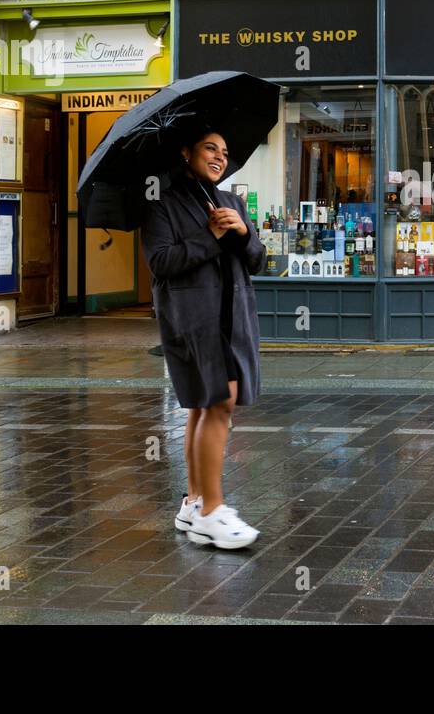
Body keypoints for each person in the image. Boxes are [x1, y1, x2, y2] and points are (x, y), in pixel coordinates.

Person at [141, 123, 266, 550]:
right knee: (218, 401)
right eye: (210, 148)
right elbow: (161, 262)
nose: (219, 157)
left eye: (224, 151)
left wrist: (243, 233)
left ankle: (193, 502)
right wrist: (210, 235)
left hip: (234, 317)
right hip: (193, 318)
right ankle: (213, 510)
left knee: (202, 403)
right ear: (186, 153)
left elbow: (258, 261)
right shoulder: (163, 204)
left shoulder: (230, 201)